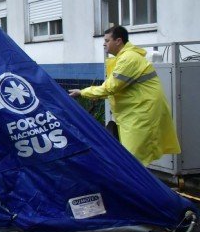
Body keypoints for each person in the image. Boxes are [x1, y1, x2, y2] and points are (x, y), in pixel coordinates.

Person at [69, 26, 180, 165]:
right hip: (136, 113)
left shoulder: (128, 59)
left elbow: (111, 87)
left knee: (134, 160)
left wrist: (82, 92)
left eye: (107, 40)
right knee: (133, 158)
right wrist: (99, 94)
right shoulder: (125, 57)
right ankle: (139, 185)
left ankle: (139, 186)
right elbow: (121, 87)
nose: (104, 44)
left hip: (141, 113)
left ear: (118, 41)